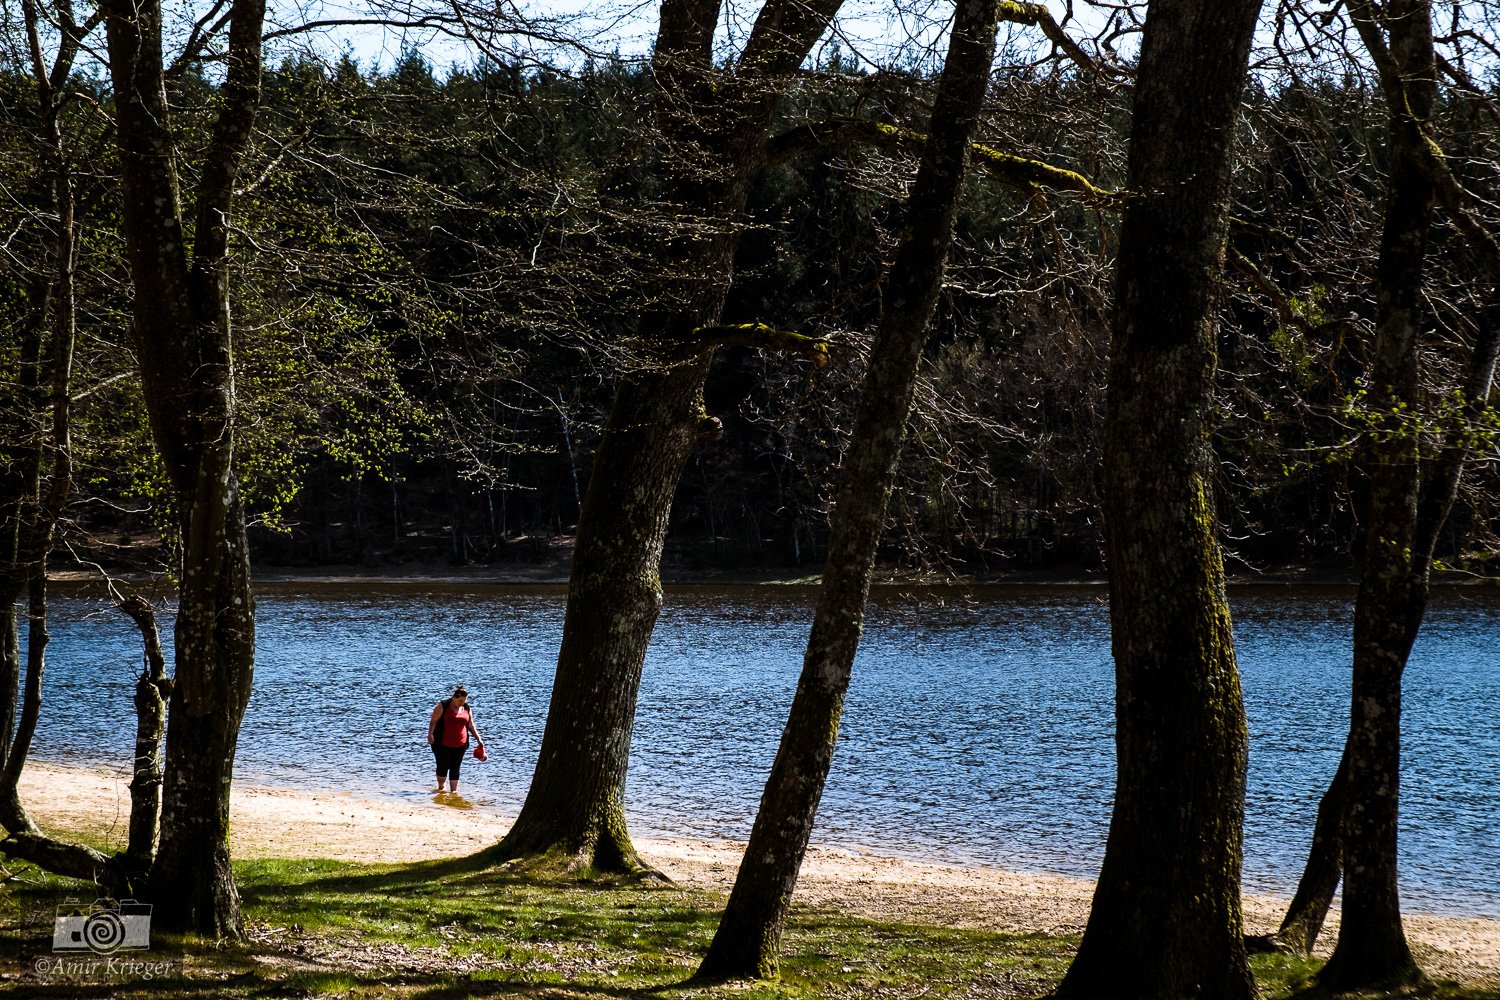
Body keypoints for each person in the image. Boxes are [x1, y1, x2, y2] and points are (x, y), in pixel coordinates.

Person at [428, 685, 485, 793]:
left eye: (464, 700)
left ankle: (453, 792)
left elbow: (471, 725)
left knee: (456, 767)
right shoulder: (443, 706)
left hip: (460, 744)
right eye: (460, 700)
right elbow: (433, 721)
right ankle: (441, 788)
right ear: (453, 697)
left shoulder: (467, 708)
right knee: (442, 765)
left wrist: (479, 739)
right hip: (441, 743)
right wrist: (430, 734)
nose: (462, 703)